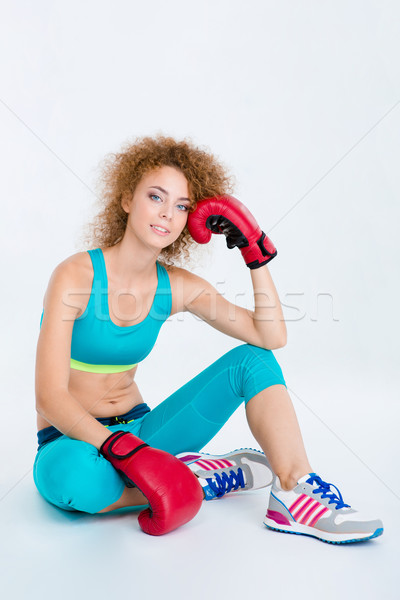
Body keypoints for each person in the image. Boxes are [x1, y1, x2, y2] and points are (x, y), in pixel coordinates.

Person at [33, 135, 383, 543]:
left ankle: (292, 490)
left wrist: (255, 252)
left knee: (252, 361)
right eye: (156, 197)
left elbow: (270, 337)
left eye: (181, 206)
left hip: (144, 430)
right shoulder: (75, 275)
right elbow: (49, 398)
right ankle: (192, 478)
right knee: (78, 483)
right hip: (71, 438)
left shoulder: (177, 286)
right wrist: (133, 455)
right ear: (127, 199)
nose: (167, 214)